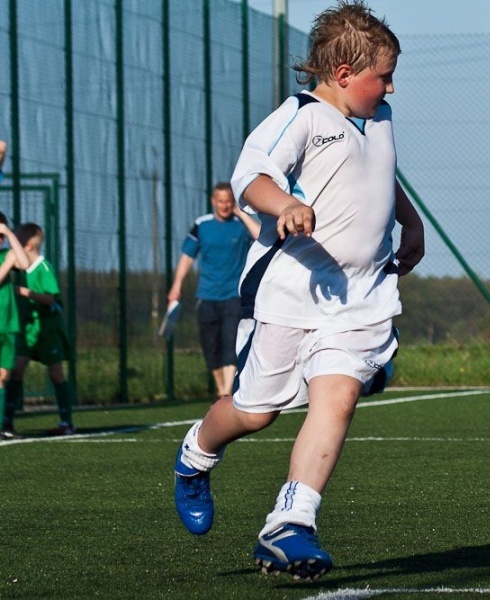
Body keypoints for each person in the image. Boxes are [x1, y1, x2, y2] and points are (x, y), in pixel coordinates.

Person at [172, 0, 425, 583]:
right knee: (255, 413)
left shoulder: (380, 116)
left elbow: (382, 174)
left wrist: (409, 222)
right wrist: (284, 203)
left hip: (359, 296)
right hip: (290, 290)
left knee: (337, 395)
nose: (391, 86)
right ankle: (195, 455)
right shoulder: (301, 115)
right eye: (382, 75)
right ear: (342, 75)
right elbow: (250, 176)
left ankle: (290, 523)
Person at [167, 182, 260, 401]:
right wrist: (176, 286)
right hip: (207, 296)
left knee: (230, 342)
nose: (225, 206)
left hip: (234, 296)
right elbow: (187, 257)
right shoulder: (202, 225)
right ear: (213, 201)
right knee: (211, 346)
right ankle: (221, 388)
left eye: (228, 201)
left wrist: (241, 213)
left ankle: (225, 392)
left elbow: (260, 235)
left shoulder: (242, 224)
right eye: (221, 201)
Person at [3, 223, 75, 436]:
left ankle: (66, 422)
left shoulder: (43, 268)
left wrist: (25, 292)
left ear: (27, 246)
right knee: (16, 369)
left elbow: (50, 298)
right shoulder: (19, 268)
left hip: (47, 329)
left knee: (55, 373)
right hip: (27, 328)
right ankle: (7, 421)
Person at [0, 212, 31, 439]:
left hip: (7, 324)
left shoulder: (8, 255)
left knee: (2, 376)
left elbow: (25, 262)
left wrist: (10, 233)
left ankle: (3, 425)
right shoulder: (6, 260)